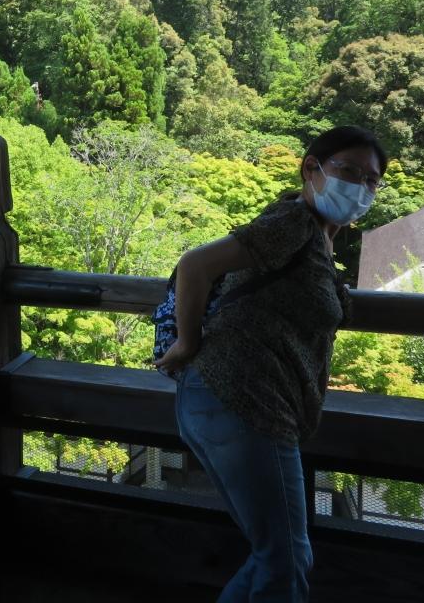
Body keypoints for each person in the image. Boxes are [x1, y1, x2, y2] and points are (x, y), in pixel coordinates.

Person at [154, 125, 387, 603]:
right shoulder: (294, 221)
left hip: (237, 402)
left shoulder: (318, 240)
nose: (360, 187)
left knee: (276, 555)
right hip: (241, 399)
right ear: (311, 168)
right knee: (285, 557)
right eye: (348, 171)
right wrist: (186, 344)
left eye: (371, 180)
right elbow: (196, 265)